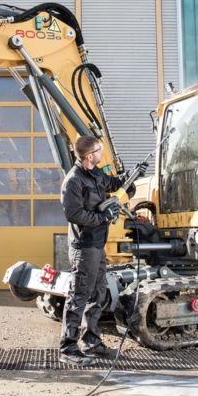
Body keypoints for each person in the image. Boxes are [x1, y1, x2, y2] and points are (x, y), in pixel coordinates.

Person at [59, 136, 147, 366]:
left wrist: (133, 174)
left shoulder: (95, 174)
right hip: (84, 247)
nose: (101, 152)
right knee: (78, 296)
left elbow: (113, 183)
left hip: (98, 246)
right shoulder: (74, 181)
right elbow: (74, 214)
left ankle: (92, 342)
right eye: (99, 149)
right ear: (90, 156)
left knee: (97, 294)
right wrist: (101, 217)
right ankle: (68, 348)